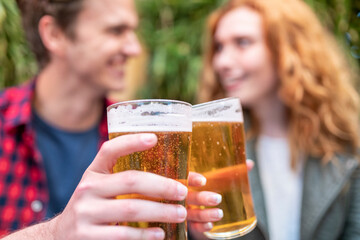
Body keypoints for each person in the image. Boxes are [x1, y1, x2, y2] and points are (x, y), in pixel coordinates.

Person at [0, 0, 224, 239]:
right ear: (55, 34)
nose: (134, 49)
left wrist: (192, 223)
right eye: (116, 30)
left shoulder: (142, 137)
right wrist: (53, 234)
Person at [192, 0, 360, 239]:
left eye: (242, 42)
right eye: (218, 47)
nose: (222, 62)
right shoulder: (213, 149)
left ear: (289, 48)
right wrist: (198, 230)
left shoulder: (345, 143)